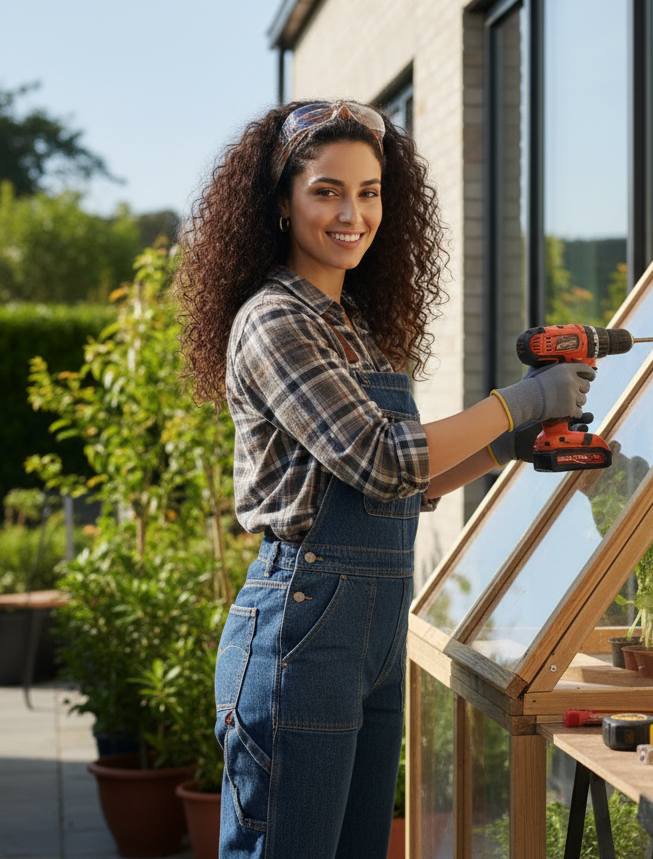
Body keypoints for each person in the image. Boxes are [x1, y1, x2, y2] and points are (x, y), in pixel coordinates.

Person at [176, 99, 595, 859]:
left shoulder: (352, 325)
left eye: (369, 192)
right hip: (301, 629)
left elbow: (404, 488)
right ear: (279, 201)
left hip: (367, 631)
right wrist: (518, 401)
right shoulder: (275, 321)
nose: (352, 213)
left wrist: (511, 446)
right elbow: (385, 457)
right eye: (327, 190)